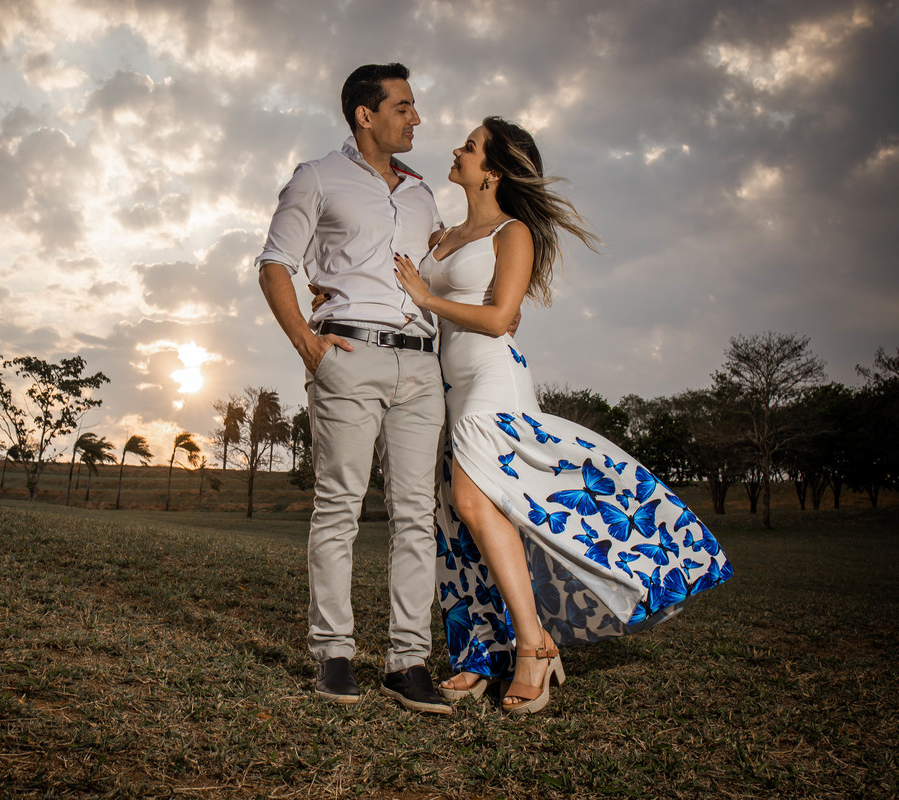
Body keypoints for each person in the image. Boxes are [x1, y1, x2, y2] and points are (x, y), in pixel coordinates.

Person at [392, 117, 733, 714]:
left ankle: (534, 647)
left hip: (494, 379)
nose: (457, 149)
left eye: (470, 147)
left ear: (492, 169)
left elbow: (500, 317)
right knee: (466, 519)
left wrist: (426, 296)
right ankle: (482, 654)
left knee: (475, 504)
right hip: (449, 383)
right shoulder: (444, 236)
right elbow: (424, 301)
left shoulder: (512, 231)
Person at [256, 63, 451, 715]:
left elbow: (439, 273)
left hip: (421, 365)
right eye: (402, 106)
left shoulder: (423, 194)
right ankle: (335, 655)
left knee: (417, 514)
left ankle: (408, 662)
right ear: (365, 115)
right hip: (349, 355)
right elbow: (275, 263)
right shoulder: (317, 177)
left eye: (415, 105)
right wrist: (309, 347)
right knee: (340, 504)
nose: (415, 117)